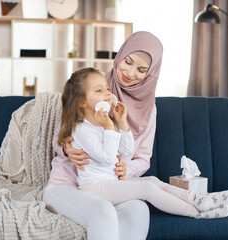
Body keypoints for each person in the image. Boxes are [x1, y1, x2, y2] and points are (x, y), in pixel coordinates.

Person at [57, 67, 228, 221]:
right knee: (146, 188)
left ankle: (197, 198)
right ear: (82, 102)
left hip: (109, 183)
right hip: (94, 188)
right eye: (99, 90)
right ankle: (195, 212)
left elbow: (127, 149)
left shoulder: (104, 123)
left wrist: (122, 123)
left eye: (107, 89)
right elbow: (108, 157)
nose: (108, 94)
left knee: (153, 180)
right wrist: (110, 127)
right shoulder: (81, 129)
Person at [43, 31, 159, 240]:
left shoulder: (149, 109)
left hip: (110, 185)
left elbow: (143, 158)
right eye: (128, 61)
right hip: (68, 183)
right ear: (120, 55)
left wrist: (126, 169)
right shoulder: (90, 86)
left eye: (141, 70)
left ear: (151, 74)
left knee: (139, 210)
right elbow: (59, 138)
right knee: (103, 211)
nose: (130, 73)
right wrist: (67, 149)